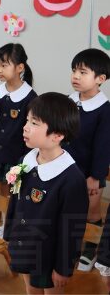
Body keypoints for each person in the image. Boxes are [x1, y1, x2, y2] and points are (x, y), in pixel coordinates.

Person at [4, 92, 88, 294]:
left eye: (34, 123)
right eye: (27, 120)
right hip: (25, 245)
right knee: (30, 289)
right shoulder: (28, 159)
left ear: (57, 135)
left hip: (48, 254)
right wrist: (10, 233)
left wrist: (63, 268)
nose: (25, 127)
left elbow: (71, 230)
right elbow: (16, 202)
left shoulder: (71, 179)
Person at [0, 43, 37, 238]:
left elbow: (31, 131)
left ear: (20, 68)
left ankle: (16, 226)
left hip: (17, 155)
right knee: (3, 190)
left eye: (4, 65)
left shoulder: (30, 97)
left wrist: (28, 158)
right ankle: (5, 224)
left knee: (17, 193)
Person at [63, 48, 110, 271]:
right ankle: (71, 244)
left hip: (90, 172)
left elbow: (103, 147)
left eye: (82, 72)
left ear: (101, 79)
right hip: (66, 168)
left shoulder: (104, 110)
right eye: (74, 70)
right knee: (69, 209)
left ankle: (91, 249)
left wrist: (96, 177)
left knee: (91, 210)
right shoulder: (69, 101)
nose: (75, 76)